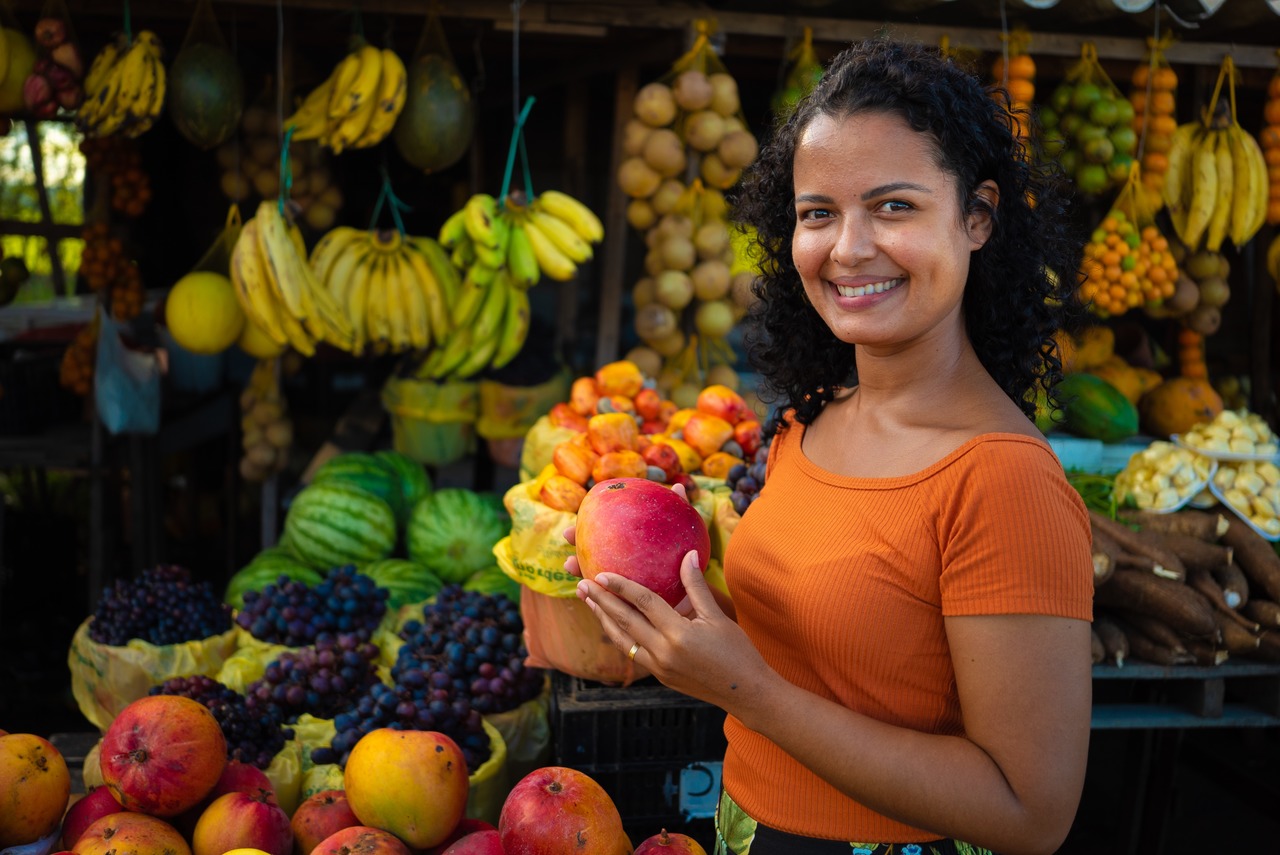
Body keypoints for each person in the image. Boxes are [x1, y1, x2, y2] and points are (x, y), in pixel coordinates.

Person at [569, 38, 1094, 855]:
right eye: (818, 213)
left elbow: (1030, 810)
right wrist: (667, 612)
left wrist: (745, 688)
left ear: (978, 217)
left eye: (893, 206)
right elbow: (826, 646)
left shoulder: (1003, 481)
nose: (847, 248)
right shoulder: (805, 426)